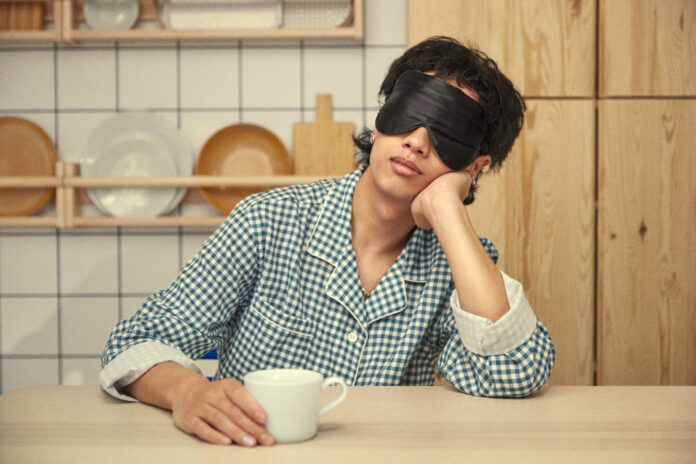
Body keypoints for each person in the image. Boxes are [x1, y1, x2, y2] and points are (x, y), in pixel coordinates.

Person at [100, 36, 555, 448]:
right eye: (410, 114)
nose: (417, 141)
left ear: (474, 166)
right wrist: (188, 392)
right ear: (380, 121)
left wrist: (449, 210)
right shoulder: (267, 222)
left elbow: (513, 371)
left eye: (447, 133)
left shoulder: (460, 264)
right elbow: (136, 341)